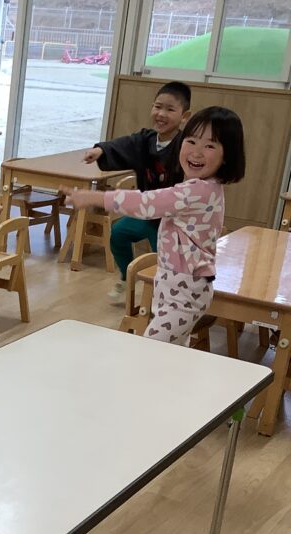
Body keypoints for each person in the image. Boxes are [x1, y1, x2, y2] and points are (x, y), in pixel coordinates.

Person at [64, 106, 246, 346]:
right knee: (168, 353)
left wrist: (93, 198)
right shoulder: (202, 187)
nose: (196, 152)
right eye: (191, 141)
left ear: (227, 156)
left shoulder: (200, 191)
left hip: (184, 294)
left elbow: (146, 203)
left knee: (149, 351)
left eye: (210, 146)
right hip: (174, 287)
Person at [84, 81, 192, 302]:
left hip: (170, 221)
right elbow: (123, 144)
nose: (161, 114)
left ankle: (164, 297)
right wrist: (100, 150)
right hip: (146, 213)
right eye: (157, 107)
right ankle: (127, 277)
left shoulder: (185, 145)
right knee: (119, 233)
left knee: (164, 259)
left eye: (170, 109)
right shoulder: (145, 139)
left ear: (184, 116)